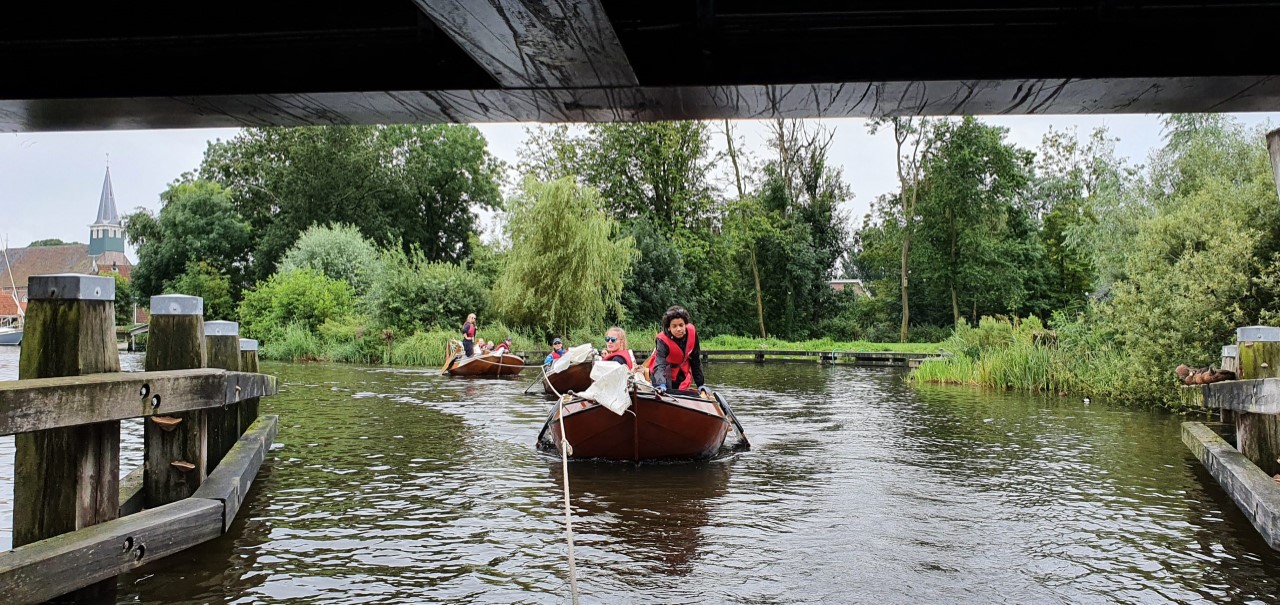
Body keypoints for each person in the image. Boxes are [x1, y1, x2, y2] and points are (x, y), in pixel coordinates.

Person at [648, 306, 707, 396]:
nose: (679, 329)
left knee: (680, 393)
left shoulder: (692, 333)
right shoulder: (662, 340)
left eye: (681, 325)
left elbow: (695, 360)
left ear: (685, 324)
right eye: (674, 326)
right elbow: (660, 364)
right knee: (662, 391)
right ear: (669, 328)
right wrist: (661, 384)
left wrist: (700, 384)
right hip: (662, 372)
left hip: (681, 372)